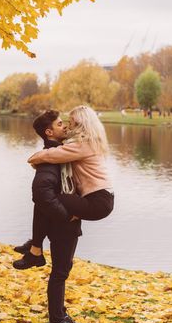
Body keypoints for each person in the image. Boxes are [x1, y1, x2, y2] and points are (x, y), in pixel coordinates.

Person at [14, 110, 82, 323]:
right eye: (60, 124)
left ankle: (60, 313)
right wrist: (67, 216)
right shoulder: (50, 160)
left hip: (60, 225)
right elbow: (41, 193)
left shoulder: (55, 154)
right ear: (49, 132)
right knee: (60, 273)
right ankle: (57, 322)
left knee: (63, 270)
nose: (65, 127)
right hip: (62, 226)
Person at [23, 105, 114, 265]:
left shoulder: (82, 145)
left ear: (80, 124)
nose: (67, 125)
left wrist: (35, 158)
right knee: (45, 201)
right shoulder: (86, 142)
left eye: (71, 122)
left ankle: (35, 248)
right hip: (101, 199)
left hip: (98, 201)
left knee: (44, 200)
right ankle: (35, 247)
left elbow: (53, 154)